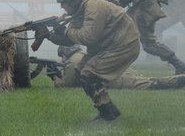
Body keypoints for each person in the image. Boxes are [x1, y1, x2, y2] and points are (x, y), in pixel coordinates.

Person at [45, 0, 141, 121]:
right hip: (112, 45)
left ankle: (106, 115)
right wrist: (50, 35)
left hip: (122, 45)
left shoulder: (93, 7)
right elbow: (72, 39)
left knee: (89, 75)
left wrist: (65, 31)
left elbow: (88, 37)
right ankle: (110, 110)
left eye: (63, 2)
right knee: (81, 70)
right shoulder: (83, 9)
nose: (62, 6)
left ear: (74, 0)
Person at [49, 45, 185, 90]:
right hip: (119, 71)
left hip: (116, 79)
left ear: (66, 54)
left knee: (152, 85)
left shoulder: (72, 62)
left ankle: (180, 80)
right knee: (149, 81)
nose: (61, 60)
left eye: (62, 56)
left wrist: (54, 77)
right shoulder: (80, 55)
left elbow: (67, 84)